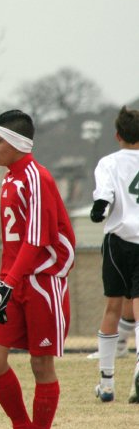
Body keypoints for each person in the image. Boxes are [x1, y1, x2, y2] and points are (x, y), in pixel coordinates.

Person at [0, 110, 75, 429]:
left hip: (41, 283)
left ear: (17, 143)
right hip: (13, 281)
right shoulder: (9, 177)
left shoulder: (37, 177)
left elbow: (36, 241)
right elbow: (14, 242)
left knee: (41, 366)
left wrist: (9, 283)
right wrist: (4, 282)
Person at [88, 106, 139, 403]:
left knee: (112, 307)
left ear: (117, 135)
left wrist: (99, 209)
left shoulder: (109, 162)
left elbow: (103, 196)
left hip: (118, 239)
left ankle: (106, 382)